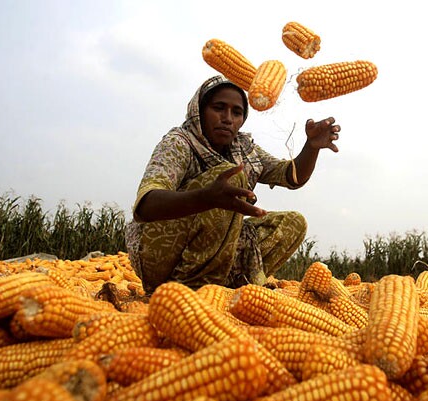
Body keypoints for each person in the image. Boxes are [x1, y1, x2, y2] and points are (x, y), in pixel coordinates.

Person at [125, 75, 340, 294]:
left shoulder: (243, 149)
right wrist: (205, 198)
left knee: (294, 223)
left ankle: (227, 286)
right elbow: (146, 205)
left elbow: (290, 176)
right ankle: (191, 290)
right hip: (159, 256)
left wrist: (311, 147)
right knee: (231, 177)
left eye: (236, 113)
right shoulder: (180, 142)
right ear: (199, 111)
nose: (227, 119)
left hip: (211, 256)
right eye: (219, 108)